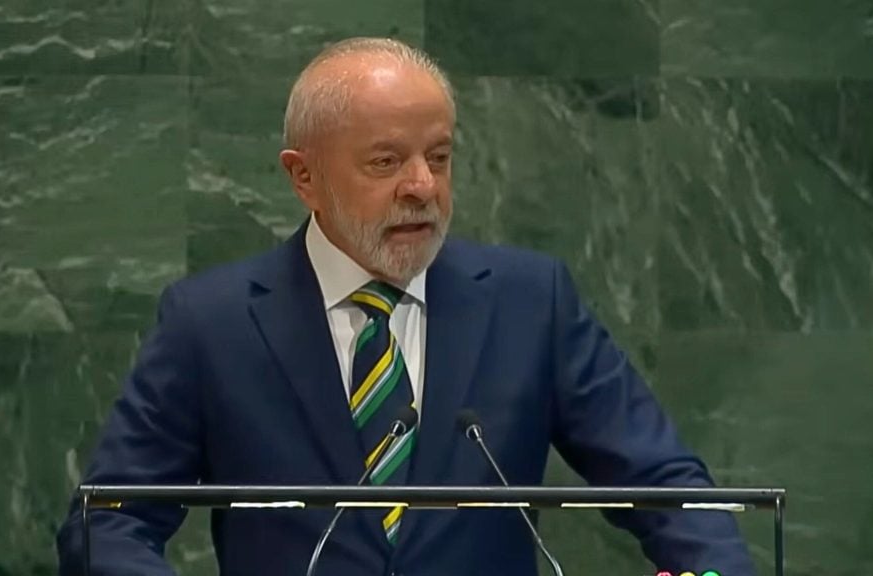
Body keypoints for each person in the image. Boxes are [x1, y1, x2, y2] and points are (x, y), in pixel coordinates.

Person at [57, 37, 756, 576]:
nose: (422, 186)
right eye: (386, 162)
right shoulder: (209, 324)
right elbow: (108, 519)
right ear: (304, 177)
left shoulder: (529, 302)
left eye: (440, 157)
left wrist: (710, 570)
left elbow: (664, 482)